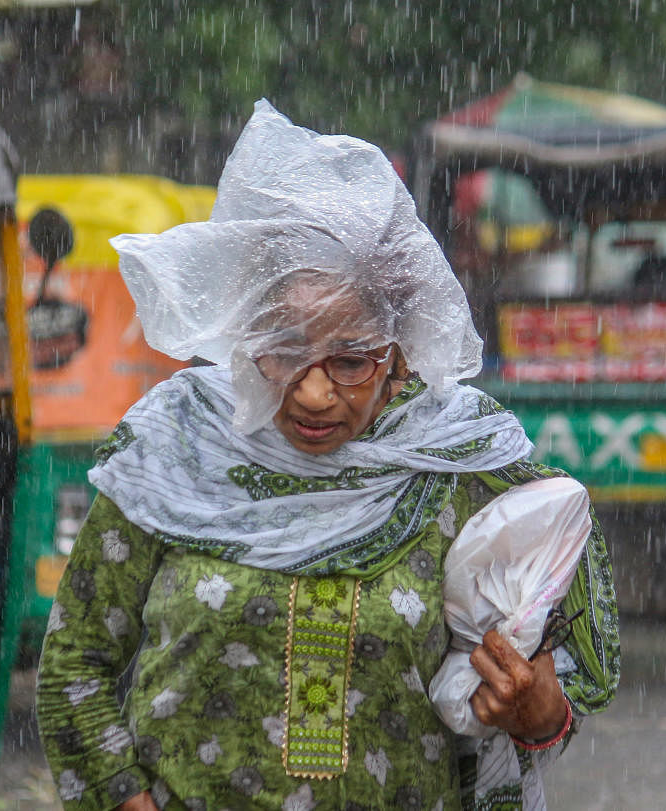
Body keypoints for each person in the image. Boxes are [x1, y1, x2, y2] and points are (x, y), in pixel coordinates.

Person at [36, 100, 619, 811]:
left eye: (350, 360)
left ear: (401, 351)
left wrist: (536, 711)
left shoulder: (463, 470)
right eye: (284, 350)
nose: (313, 393)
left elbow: (551, 699)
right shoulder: (179, 448)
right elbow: (77, 663)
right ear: (244, 332)